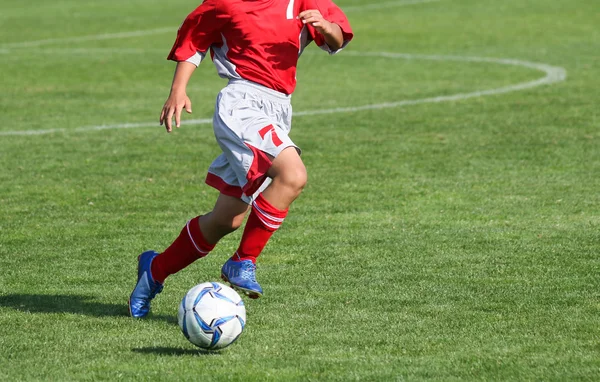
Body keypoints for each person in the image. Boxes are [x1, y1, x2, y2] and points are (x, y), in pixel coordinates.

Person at [129, 0, 353, 318]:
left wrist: (326, 28)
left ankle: (153, 271)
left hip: (278, 108)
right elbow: (195, 38)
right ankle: (242, 261)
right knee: (292, 175)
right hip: (242, 103)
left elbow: (337, 39)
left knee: (225, 220)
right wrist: (178, 89)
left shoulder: (303, 1)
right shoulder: (226, 3)